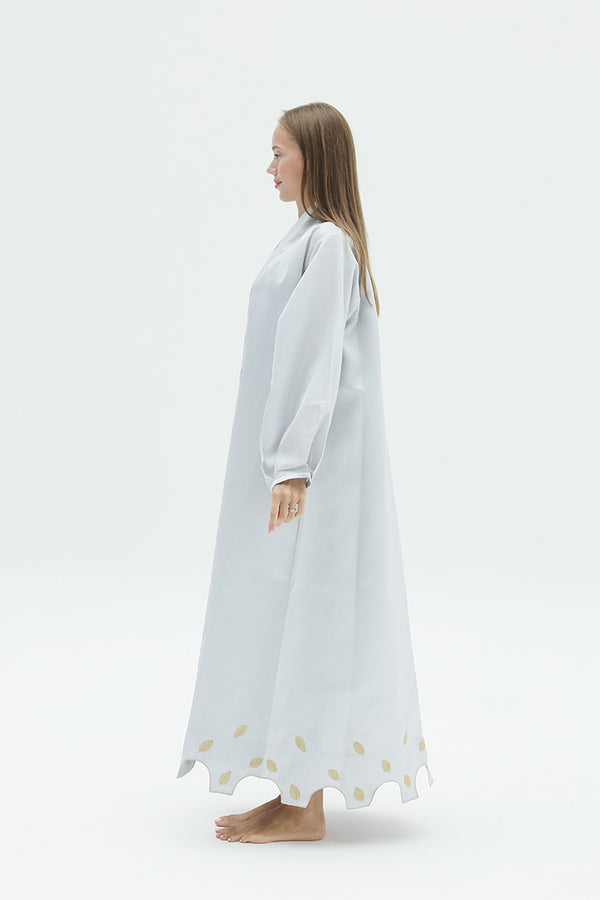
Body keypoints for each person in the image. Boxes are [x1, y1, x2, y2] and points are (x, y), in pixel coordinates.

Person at [175, 101, 433, 843]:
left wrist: (293, 466)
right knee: (283, 609)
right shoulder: (307, 240)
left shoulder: (329, 246)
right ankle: (292, 790)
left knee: (314, 611)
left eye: (279, 152)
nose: (270, 166)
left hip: (315, 470)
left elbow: (314, 360)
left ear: (314, 157)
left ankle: (305, 806)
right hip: (292, 464)